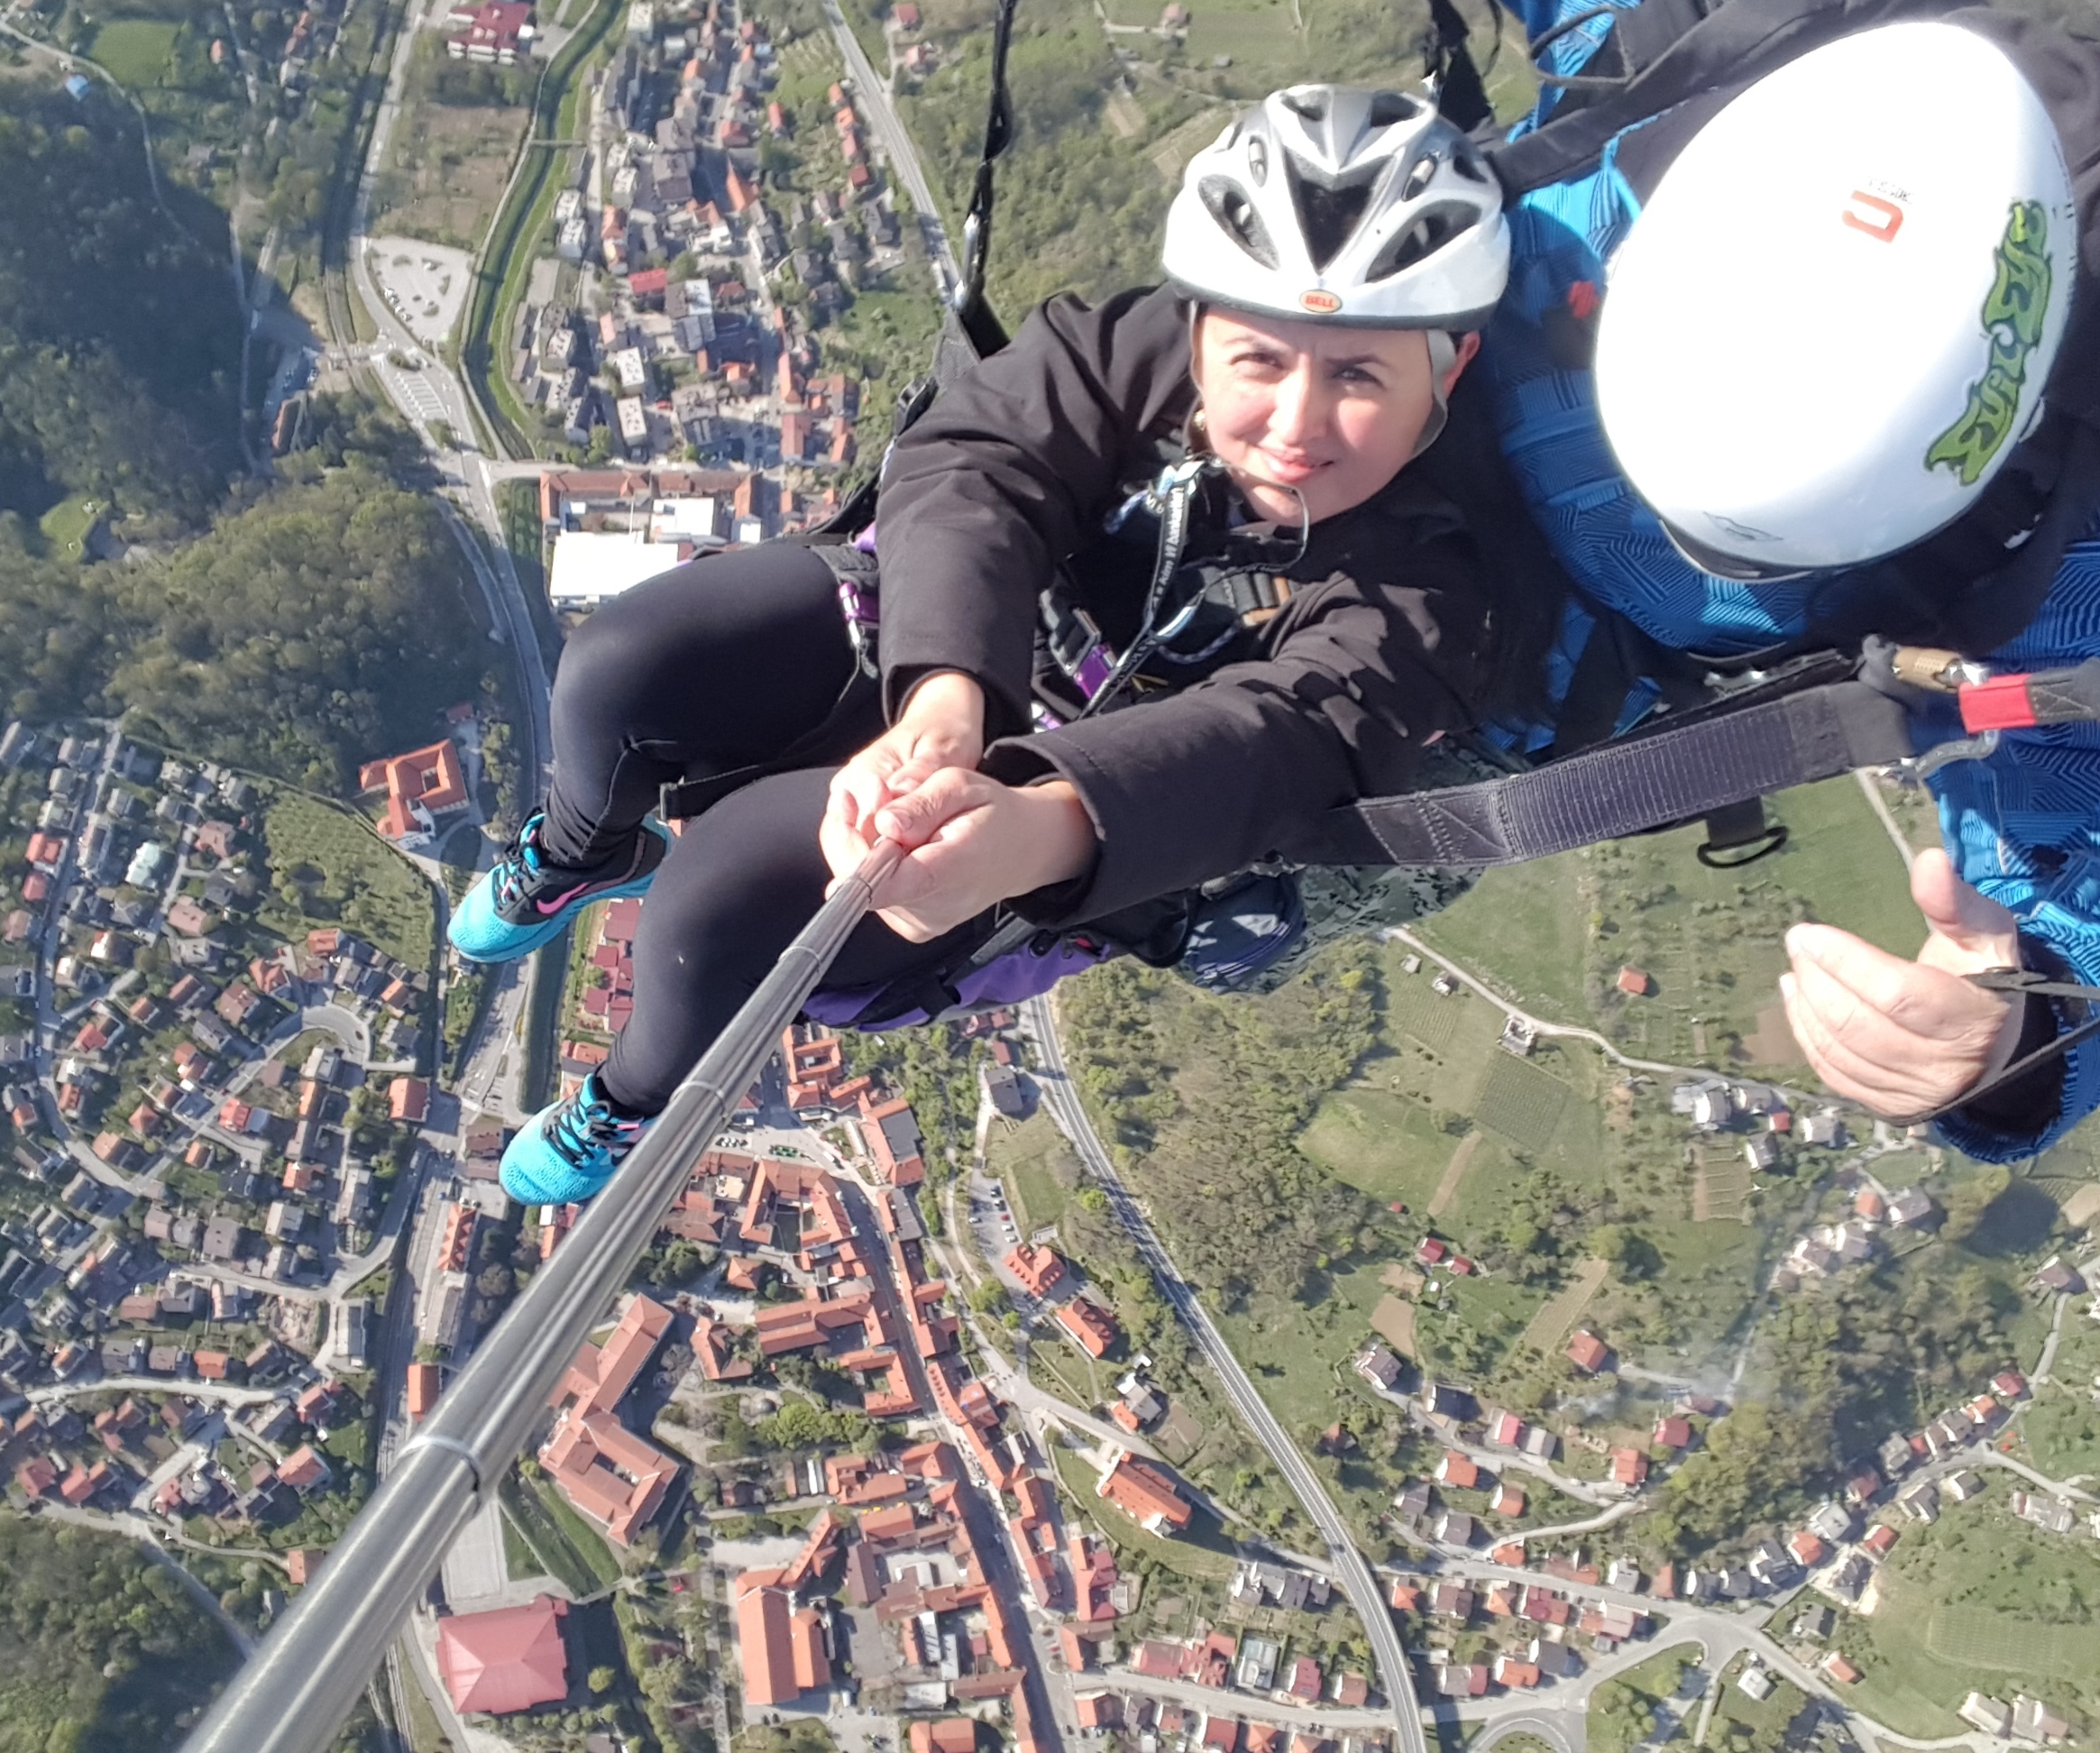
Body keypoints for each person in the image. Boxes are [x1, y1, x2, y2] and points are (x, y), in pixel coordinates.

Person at [453, 86, 1564, 1203]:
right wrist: (944, 696)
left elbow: (1288, 746)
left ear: (1451, 366)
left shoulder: (1435, 574)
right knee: (624, 666)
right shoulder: (1138, 354)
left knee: (717, 897)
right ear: (1199, 331)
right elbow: (982, 456)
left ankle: (633, 1099)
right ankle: (581, 853)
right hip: (962, 631)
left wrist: (1041, 830)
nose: (1295, 424)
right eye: (1261, 361)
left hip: (1098, 790)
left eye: (1360, 375)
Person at [1469, 2, 2100, 1158]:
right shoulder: (1670, 93)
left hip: (1519, 673)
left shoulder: (2059, 564)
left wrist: (2019, 1039)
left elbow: (2079, 879)